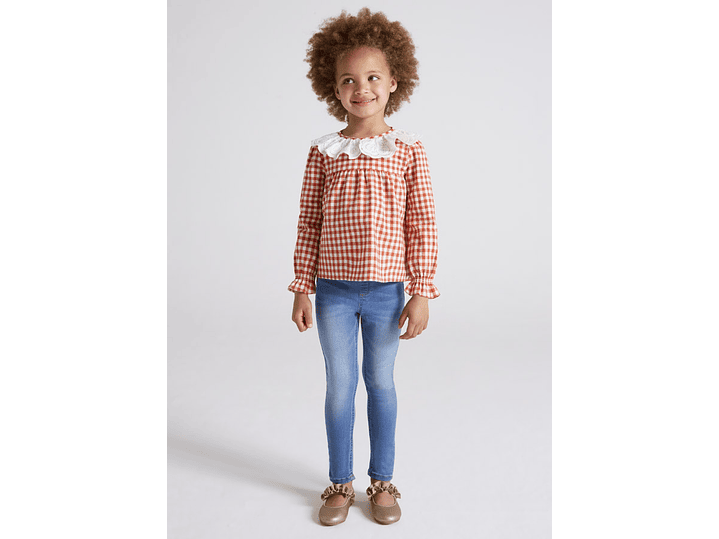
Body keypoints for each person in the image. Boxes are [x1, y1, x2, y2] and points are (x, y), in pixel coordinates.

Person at [288, 8, 439, 526]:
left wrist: (421, 290)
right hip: (332, 291)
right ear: (332, 88)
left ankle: (383, 481)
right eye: (349, 80)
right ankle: (339, 482)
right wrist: (302, 286)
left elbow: (421, 222)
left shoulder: (408, 150)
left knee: (381, 383)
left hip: (386, 293)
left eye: (373, 77)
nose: (362, 89)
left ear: (394, 81)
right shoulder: (324, 152)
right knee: (339, 387)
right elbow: (309, 220)